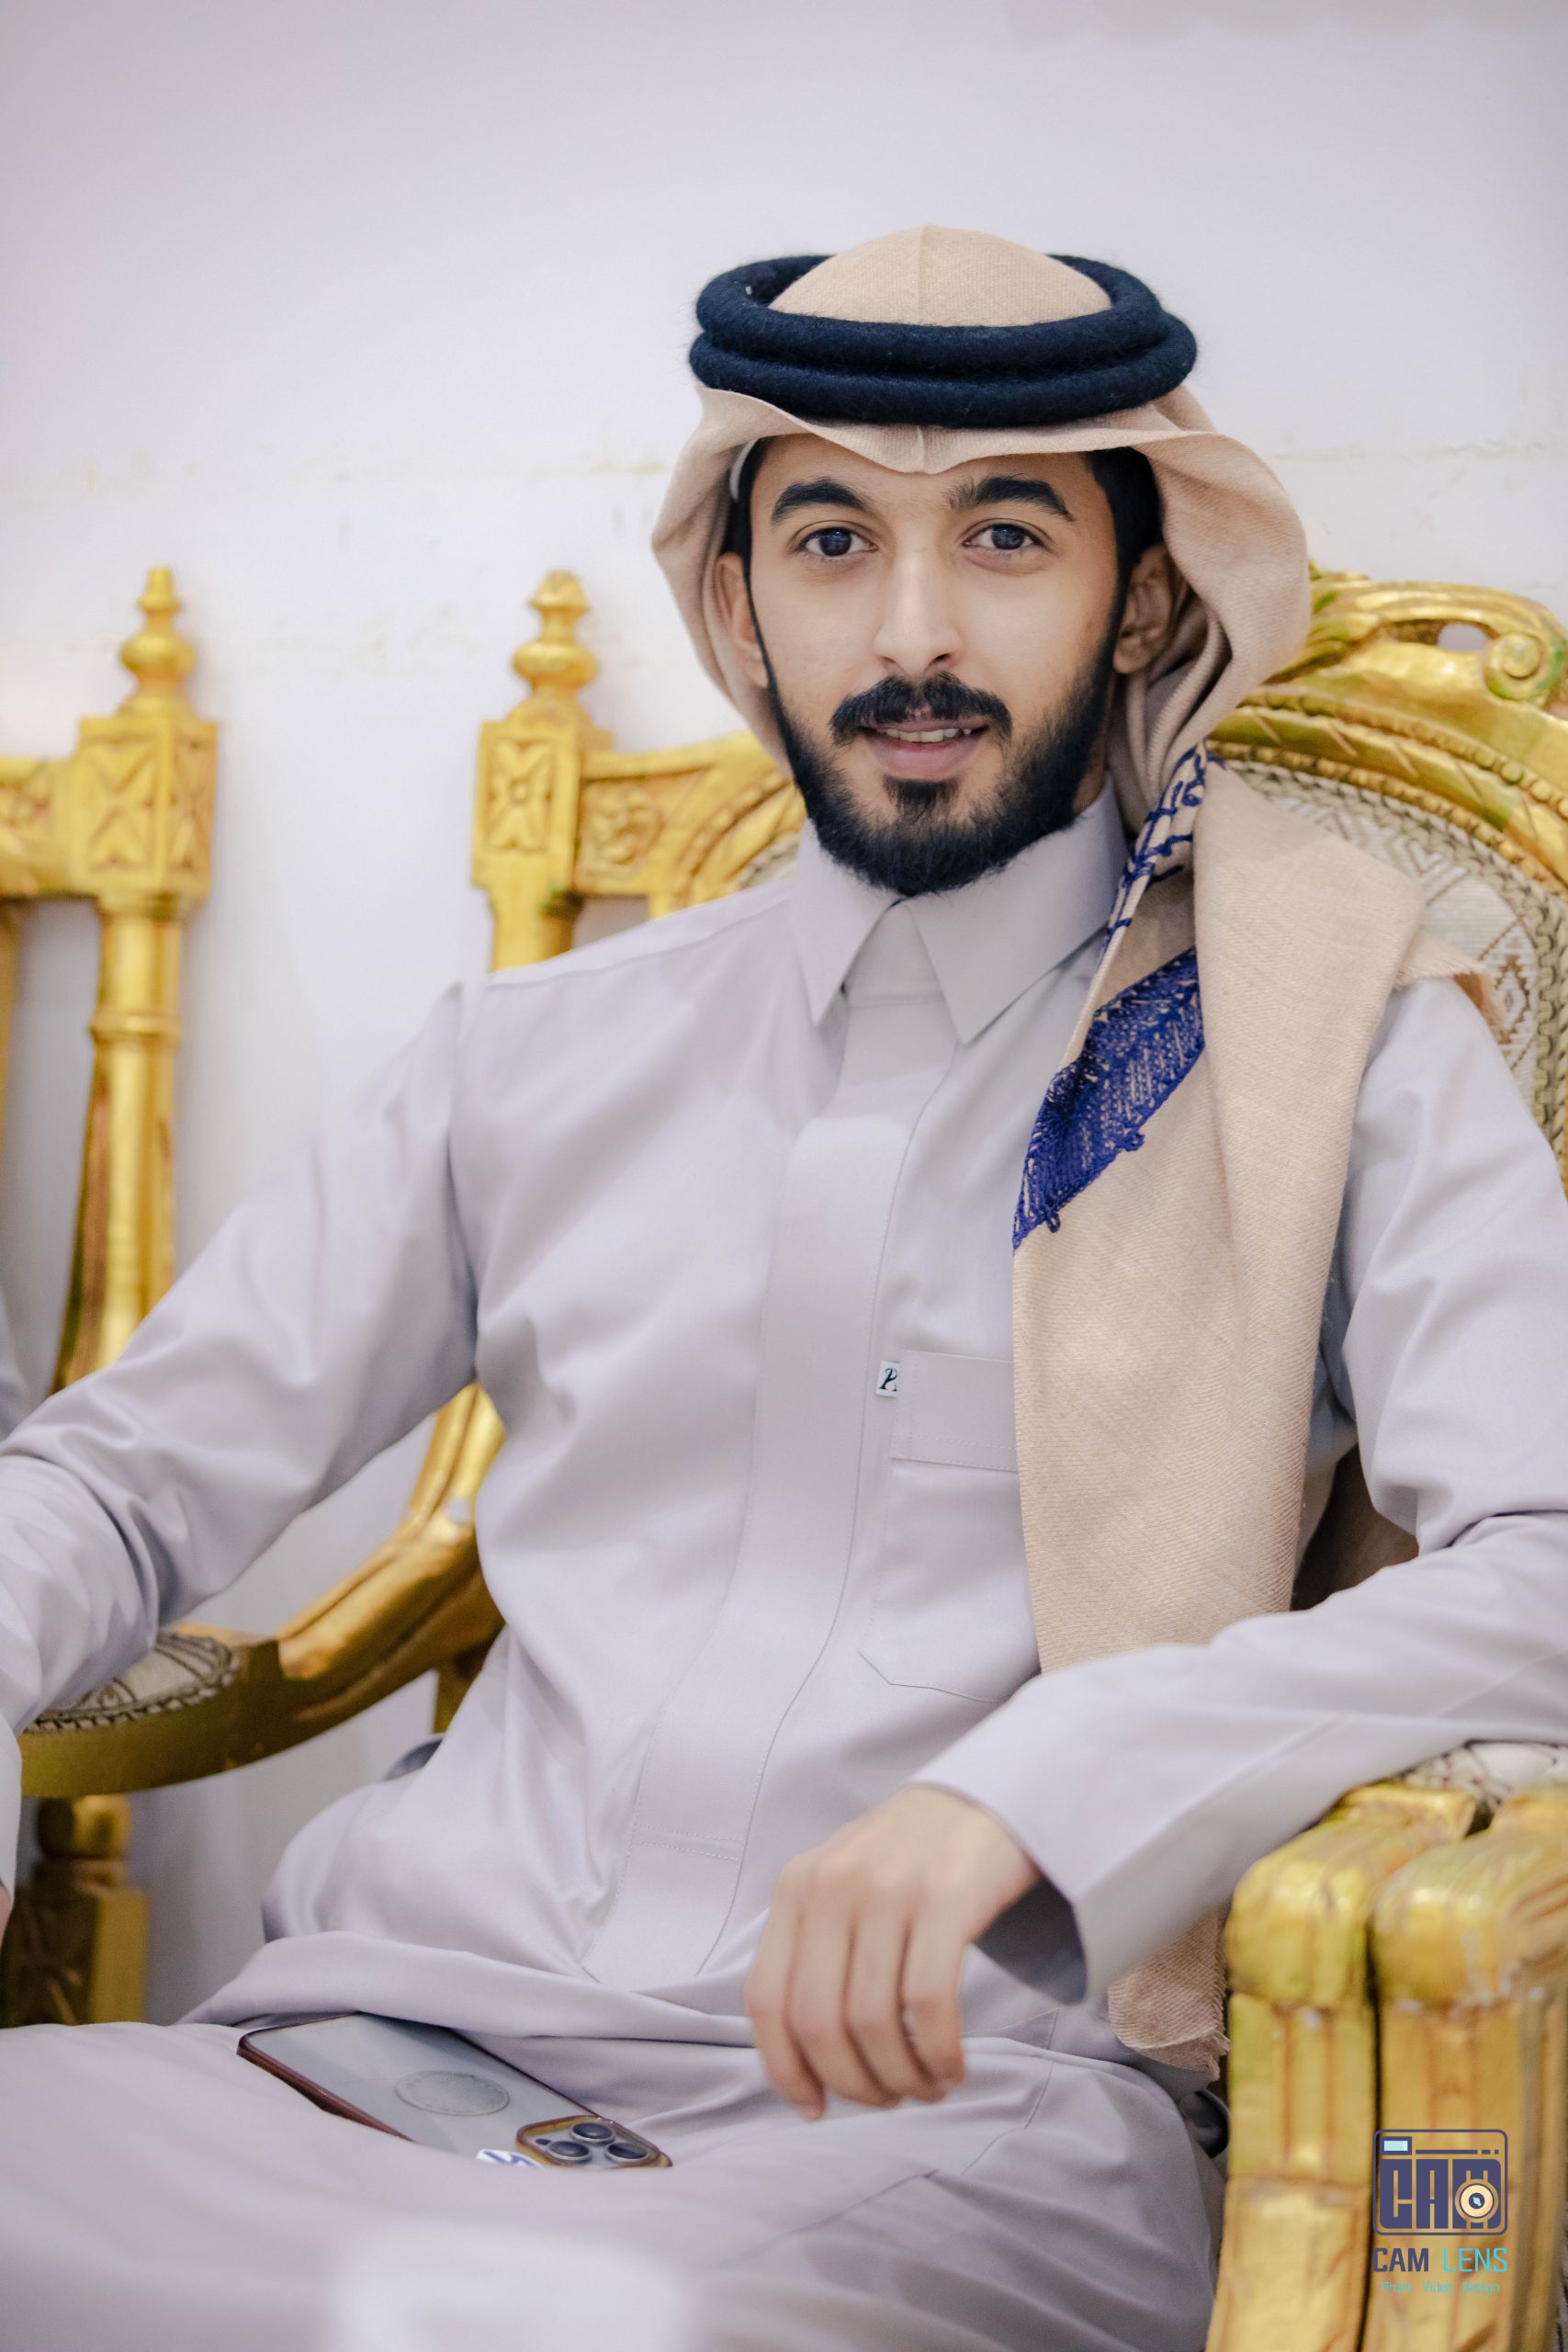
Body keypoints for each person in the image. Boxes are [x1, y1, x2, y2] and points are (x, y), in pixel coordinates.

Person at [3, 226, 1567, 2352]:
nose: (911, 632)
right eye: (832, 539)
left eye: (1002, 536)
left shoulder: (1326, 1036)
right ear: (737, 601)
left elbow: (1546, 1560)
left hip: (946, 2123)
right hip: (358, 2049)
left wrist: (1044, 1779)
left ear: (1138, 596)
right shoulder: (533, 1051)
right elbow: (120, 1478)